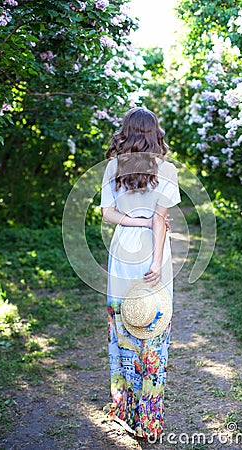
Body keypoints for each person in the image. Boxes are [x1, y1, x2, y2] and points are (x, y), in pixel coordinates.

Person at [100, 107, 181, 438]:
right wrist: (155, 261)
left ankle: (125, 409)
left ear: (126, 132)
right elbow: (159, 220)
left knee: (123, 328)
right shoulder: (168, 170)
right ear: (154, 133)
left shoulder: (112, 167)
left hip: (122, 250)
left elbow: (108, 215)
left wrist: (138, 220)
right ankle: (149, 420)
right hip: (153, 249)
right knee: (153, 328)